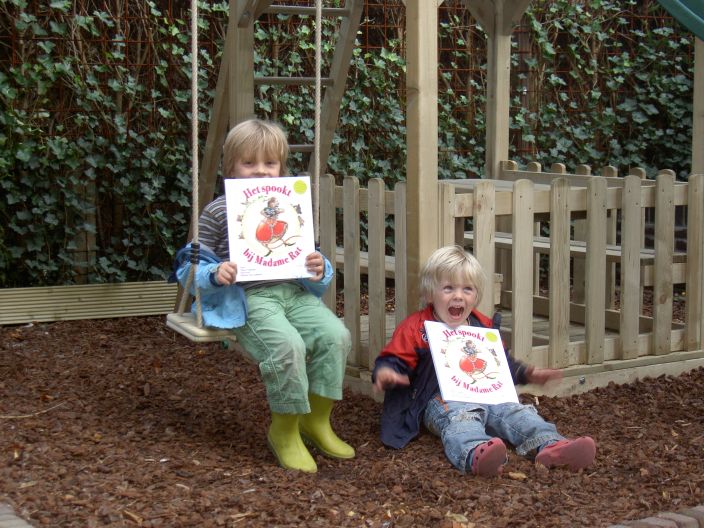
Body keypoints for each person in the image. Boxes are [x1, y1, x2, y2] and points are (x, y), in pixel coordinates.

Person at [172, 118, 354, 473]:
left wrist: (319, 268)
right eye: (249, 162)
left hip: (294, 293)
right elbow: (188, 269)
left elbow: (309, 263)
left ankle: (316, 421)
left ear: (281, 168)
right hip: (248, 298)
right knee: (287, 347)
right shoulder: (218, 211)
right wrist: (214, 273)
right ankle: (284, 430)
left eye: (270, 163)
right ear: (230, 168)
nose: (261, 171)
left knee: (336, 336)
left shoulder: (289, 206)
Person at [372, 245, 596, 477]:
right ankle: (475, 452)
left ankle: (552, 445)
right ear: (430, 294)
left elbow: (501, 364)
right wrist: (387, 371)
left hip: (488, 393)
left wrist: (527, 373)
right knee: (462, 417)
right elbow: (395, 357)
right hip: (443, 399)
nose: (458, 296)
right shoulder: (417, 328)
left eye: (467, 289)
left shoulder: (483, 327)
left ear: (476, 296)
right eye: (448, 288)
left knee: (517, 412)